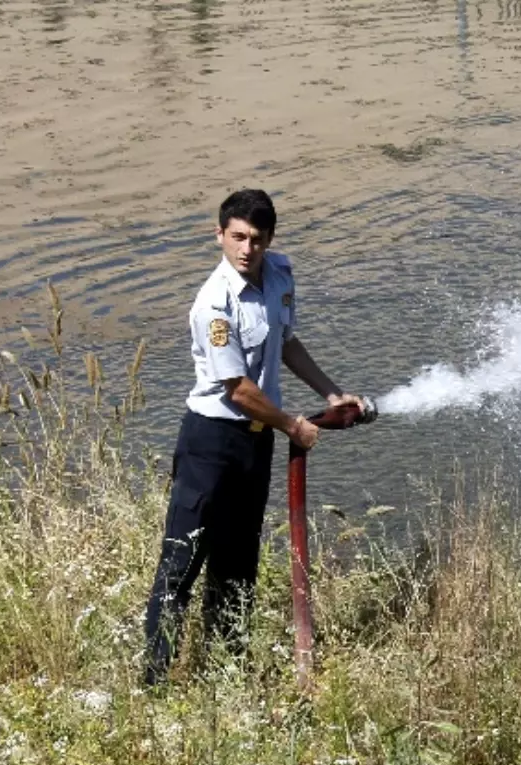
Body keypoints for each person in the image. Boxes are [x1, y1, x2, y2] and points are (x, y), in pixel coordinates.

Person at [142, 188, 371, 685]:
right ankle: (153, 684)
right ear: (219, 234)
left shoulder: (281, 274)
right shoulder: (214, 304)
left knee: (238, 562)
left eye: (257, 240)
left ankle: (228, 675)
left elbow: (285, 341)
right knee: (182, 563)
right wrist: (293, 425)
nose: (247, 249)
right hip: (211, 442)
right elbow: (240, 391)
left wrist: (331, 393)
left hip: (255, 441)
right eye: (237, 237)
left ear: (270, 240)